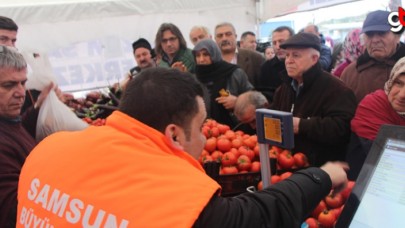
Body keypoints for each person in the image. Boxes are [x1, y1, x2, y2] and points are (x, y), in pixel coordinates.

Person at [17, 67, 349, 227]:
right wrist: (321, 176)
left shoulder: (46, 149)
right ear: (175, 134)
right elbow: (258, 215)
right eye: (201, 127)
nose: (205, 139)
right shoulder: (180, 197)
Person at [271, 32, 357, 167]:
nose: (289, 60)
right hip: (288, 166)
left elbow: (342, 129)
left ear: (315, 58)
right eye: (287, 55)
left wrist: (302, 125)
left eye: (296, 55)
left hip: (322, 170)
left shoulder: (337, 90)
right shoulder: (284, 88)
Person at [0, 45, 54, 228]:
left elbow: (17, 129)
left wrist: (38, 107)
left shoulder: (8, 120)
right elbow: (13, 210)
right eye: (9, 85)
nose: (21, 93)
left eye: (23, 83)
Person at [346, 56, 405, 180]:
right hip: (366, 186)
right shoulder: (374, 105)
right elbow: (389, 160)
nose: (402, 95)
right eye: (398, 83)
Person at [341, 10, 405, 103]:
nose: (375, 40)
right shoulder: (350, 73)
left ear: (397, 37)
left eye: (382, 33)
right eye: (369, 34)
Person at [193, 39, 253, 129]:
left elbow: (253, 100)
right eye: (198, 55)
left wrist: (237, 102)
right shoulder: (193, 78)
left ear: (214, 54)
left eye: (206, 54)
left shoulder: (234, 73)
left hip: (235, 132)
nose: (201, 59)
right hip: (203, 131)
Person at [214, 22, 265, 87]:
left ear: (235, 37)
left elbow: (264, 89)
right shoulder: (211, 60)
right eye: (220, 36)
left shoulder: (255, 58)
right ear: (215, 39)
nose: (224, 38)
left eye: (228, 34)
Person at [257, 26, 294, 103]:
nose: (277, 47)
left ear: (293, 41)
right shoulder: (266, 68)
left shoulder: (302, 65)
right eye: (274, 43)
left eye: (281, 41)